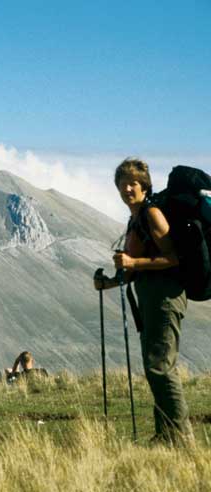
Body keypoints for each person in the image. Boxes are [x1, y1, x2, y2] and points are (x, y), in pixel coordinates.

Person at [94, 157, 193, 444]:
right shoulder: (135, 218)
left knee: (161, 367)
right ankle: (166, 434)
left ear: (144, 185)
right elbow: (136, 269)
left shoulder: (152, 214)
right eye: (122, 184)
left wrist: (133, 262)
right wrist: (109, 283)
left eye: (133, 183)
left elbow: (173, 258)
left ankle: (182, 438)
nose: (127, 189)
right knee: (155, 367)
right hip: (150, 297)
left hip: (165, 298)